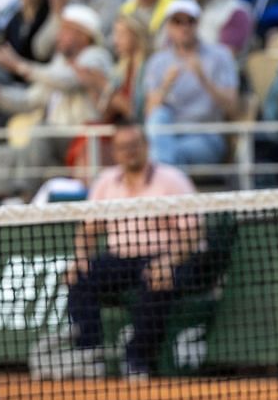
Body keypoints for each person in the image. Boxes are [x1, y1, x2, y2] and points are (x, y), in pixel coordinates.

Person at [65, 122, 199, 379]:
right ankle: (90, 355)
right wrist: (80, 259)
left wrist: (168, 262)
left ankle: (137, 360)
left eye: (134, 146)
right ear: (115, 153)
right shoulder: (105, 182)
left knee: (157, 281)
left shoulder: (172, 180)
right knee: (79, 277)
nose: (129, 152)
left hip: (163, 257)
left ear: (146, 147)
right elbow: (88, 230)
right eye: (123, 147)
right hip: (119, 258)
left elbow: (192, 233)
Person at [142, 0, 240, 170]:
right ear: (168, 26)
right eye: (177, 21)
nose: (184, 27)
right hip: (169, 134)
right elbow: (150, 112)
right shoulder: (157, 61)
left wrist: (204, 79)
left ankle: (161, 186)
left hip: (207, 135)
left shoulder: (221, 56)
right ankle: (167, 184)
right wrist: (166, 85)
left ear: (198, 24)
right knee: (159, 117)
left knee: (165, 155)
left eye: (190, 21)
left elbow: (232, 107)